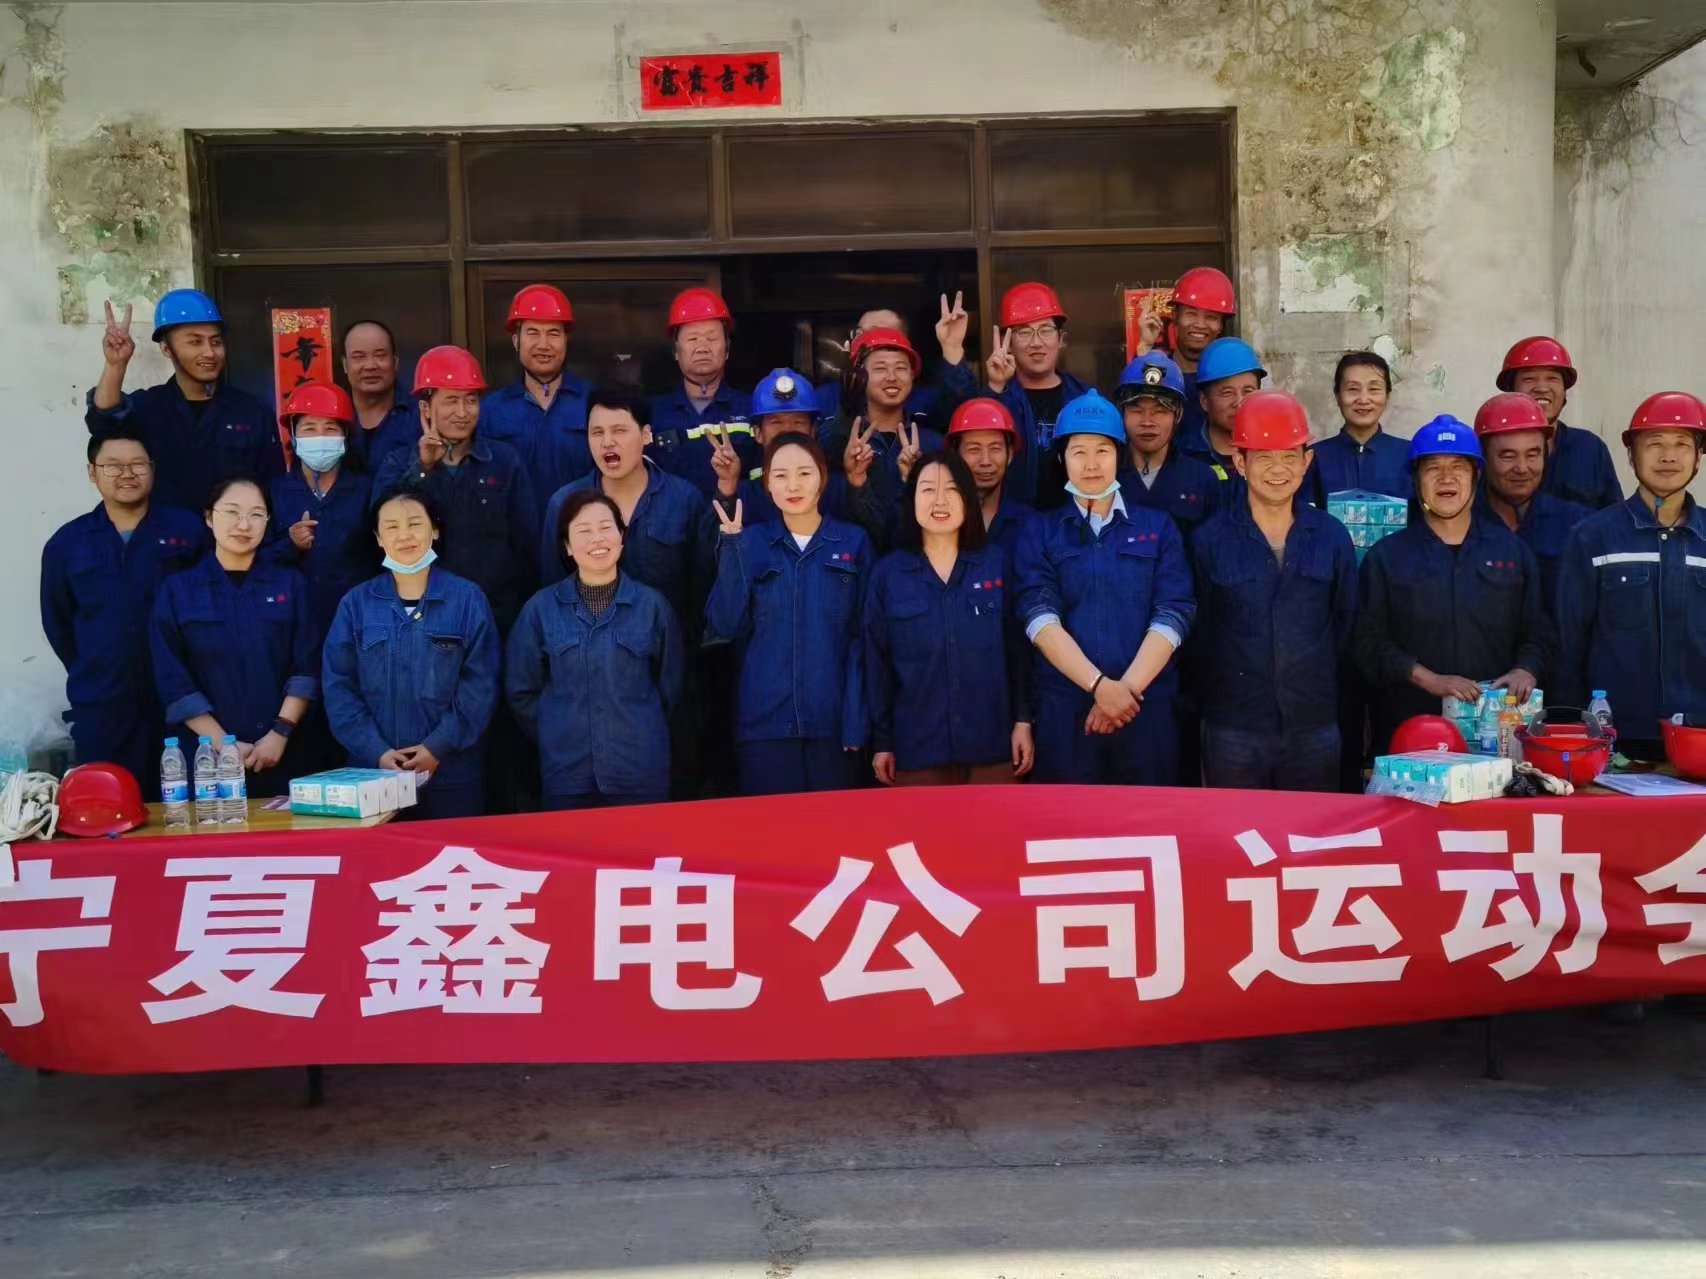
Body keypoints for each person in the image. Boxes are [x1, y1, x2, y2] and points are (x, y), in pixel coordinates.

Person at [1015, 391, 1195, 785]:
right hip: (1067, 714)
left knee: (1149, 817)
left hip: (1144, 709)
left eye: (1103, 450)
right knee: (1070, 820)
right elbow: (1039, 619)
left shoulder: (1158, 528)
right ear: (1062, 459)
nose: (1092, 464)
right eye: (1078, 452)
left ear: (1120, 455)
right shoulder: (1039, 532)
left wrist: (1123, 692)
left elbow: (1174, 613)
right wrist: (1098, 686)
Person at [1189, 392, 1357, 791]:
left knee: (1311, 828)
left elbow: (1345, 624)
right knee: (1237, 828)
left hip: (1313, 726)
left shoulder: (1331, 537)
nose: (1278, 470)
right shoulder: (1209, 541)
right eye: (1264, 457)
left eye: (1289, 456)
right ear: (1240, 462)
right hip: (1234, 729)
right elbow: (1199, 636)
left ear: (1306, 462)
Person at [1352, 417, 1551, 754]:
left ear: (1476, 476)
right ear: (1416, 480)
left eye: (1458, 467)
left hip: (1495, 734)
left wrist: (1526, 668)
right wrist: (1426, 678)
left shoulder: (1512, 552)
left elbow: (1540, 633)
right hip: (1410, 734)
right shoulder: (1387, 557)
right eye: (1433, 468)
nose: (1446, 477)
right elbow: (1366, 642)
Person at [705, 432, 871, 795]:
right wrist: (732, 547)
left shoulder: (854, 542)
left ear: (823, 478)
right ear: (766, 483)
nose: (793, 485)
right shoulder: (749, 541)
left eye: (804, 473)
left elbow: (865, 641)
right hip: (764, 728)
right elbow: (725, 624)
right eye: (780, 475)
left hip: (834, 728)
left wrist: (856, 721)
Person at [40, 432, 206, 794]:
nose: (127, 474)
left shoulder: (188, 531)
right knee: (108, 803)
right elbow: (58, 623)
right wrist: (98, 665)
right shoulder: (67, 544)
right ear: (92, 472)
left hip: (183, 702)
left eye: (137, 464)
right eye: (113, 466)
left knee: (187, 809)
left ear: (153, 470)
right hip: (104, 704)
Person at [321, 488, 500, 819]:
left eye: (415, 523)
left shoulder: (467, 599)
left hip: (451, 773)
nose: (404, 535)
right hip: (372, 775)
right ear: (378, 539)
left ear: (435, 530)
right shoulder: (356, 604)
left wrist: (437, 746)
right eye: (391, 527)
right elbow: (339, 686)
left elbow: (481, 684)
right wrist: (376, 751)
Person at [864, 450, 1034, 786]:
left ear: (968, 500)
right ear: (911, 499)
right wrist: (882, 741)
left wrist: (1023, 721)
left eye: (952, 490)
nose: (939, 501)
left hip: (992, 746)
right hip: (917, 750)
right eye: (928, 489)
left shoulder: (997, 564)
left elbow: (1019, 652)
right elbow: (876, 663)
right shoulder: (888, 575)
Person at [507, 491, 684, 810]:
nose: (597, 539)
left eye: (605, 527)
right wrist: (556, 729)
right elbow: (521, 690)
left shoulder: (653, 607)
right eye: (583, 531)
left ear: (622, 536)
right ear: (567, 546)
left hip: (640, 771)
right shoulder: (540, 610)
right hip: (567, 773)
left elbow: (670, 688)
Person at [1556, 392, 1706, 760]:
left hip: (1700, 738)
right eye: (1654, 444)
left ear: (1699, 456)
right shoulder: (1592, 536)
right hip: (1614, 742)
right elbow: (1568, 645)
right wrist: (1575, 733)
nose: (1668, 456)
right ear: (1631, 454)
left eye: (1682, 444)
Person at [149, 476, 320, 797]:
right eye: (231, 512)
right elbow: (172, 678)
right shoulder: (178, 591)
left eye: (256, 514)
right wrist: (222, 744)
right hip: (206, 760)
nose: (244, 524)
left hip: (284, 751)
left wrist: (280, 733)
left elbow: (306, 666)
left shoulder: (291, 584)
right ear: (209, 517)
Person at [376, 345, 538, 635]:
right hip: (424, 616)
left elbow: (527, 544)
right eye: (451, 401)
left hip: (497, 614)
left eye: (471, 401)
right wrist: (423, 468)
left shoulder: (504, 461)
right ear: (426, 409)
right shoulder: (398, 462)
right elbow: (382, 526)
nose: (462, 412)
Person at [85, 290, 281, 510]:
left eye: (216, 342)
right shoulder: (148, 406)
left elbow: (274, 484)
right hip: (165, 531)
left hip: (234, 531)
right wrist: (116, 365)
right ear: (166, 349)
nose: (209, 352)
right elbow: (103, 424)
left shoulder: (252, 411)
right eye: (195, 342)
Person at [266, 381, 379, 638]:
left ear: (345, 435)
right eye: (309, 428)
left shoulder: (367, 490)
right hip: (293, 626)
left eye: (330, 428)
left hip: (358, 622)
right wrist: (290, 544)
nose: (320, 437)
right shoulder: (275, 491)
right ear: (293, 435)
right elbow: (257, 558)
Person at [477, 283, 592, 517]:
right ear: (515, 341)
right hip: (512, 536)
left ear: (566, 341)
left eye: (553, 333)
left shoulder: (594, 402)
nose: (543, 345)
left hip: (579, 533)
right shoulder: (490, 410)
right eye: (533, 333)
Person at [1472, 391, 1591, 615]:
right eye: (1508, 456)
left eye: (1533, 454)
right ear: (1482, 459)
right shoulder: (1459, 526)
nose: (1522, 468)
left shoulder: (1579, 527)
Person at [983, 282, 1090, 508]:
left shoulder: (1083, 398)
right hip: (1012, 521)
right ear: (1008, 344)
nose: (1036, 343)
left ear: (1061, 339)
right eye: (1024, 333)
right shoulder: (998, 396)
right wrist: (996, 386)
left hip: (1073, 520)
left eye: (1046, 331)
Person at [648, 287, 755, 496]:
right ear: (676, 350)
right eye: (692, 339)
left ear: (727, 349)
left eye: (712, 338)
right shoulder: (653, 413)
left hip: (735, 514)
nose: (703, 347)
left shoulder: (750, 409)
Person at [1497, 336, 1621, 510]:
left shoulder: (1590, 448)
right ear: (1511, 390)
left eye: (1552, 379)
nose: (1542, 388)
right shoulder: (1490, 448)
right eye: (1529, 379)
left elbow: (1614, 517)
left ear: (1564, 391)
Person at [1114, 350, 1222, 536]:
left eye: (1160, 410)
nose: (1147, 422)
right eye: (1136, 410)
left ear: (1178, 415)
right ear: (1122, 413)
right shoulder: (1104, 476)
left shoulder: (1202, 479)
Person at [1310, 351, 1412, 501]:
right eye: (1353, 389)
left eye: (1374, 389)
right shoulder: (1314, 458)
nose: (1363, 399)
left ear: (1387, 396)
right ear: (1337, 396)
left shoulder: (1409, 455)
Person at [943, 396, 1035, 557]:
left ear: (1010, 455)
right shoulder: (938, 519)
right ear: (954, 455)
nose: (985, 461)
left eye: (995, 449)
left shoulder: (1030, 524)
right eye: (974, 450)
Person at [1160, 266, 1237, 452]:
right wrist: (1144, 354)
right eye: (1191, 313)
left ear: (1221, 326)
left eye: (1211, 317)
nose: (1200, 324)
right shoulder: (1157, 374)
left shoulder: (1232, 379)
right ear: (1175, 316)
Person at [340, 319, 418, 474]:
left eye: (380, 355)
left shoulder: (421, 415)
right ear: (345, 365)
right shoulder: (329, 417)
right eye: (358, 357)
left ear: (395, 362)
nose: (370, 366)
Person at [1183, 336, 1265, 479]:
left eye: (1248, 391)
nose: (1239, 402)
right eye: (1227, 393)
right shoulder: (1183, 456)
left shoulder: (1277, 452)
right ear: (1204, 401)